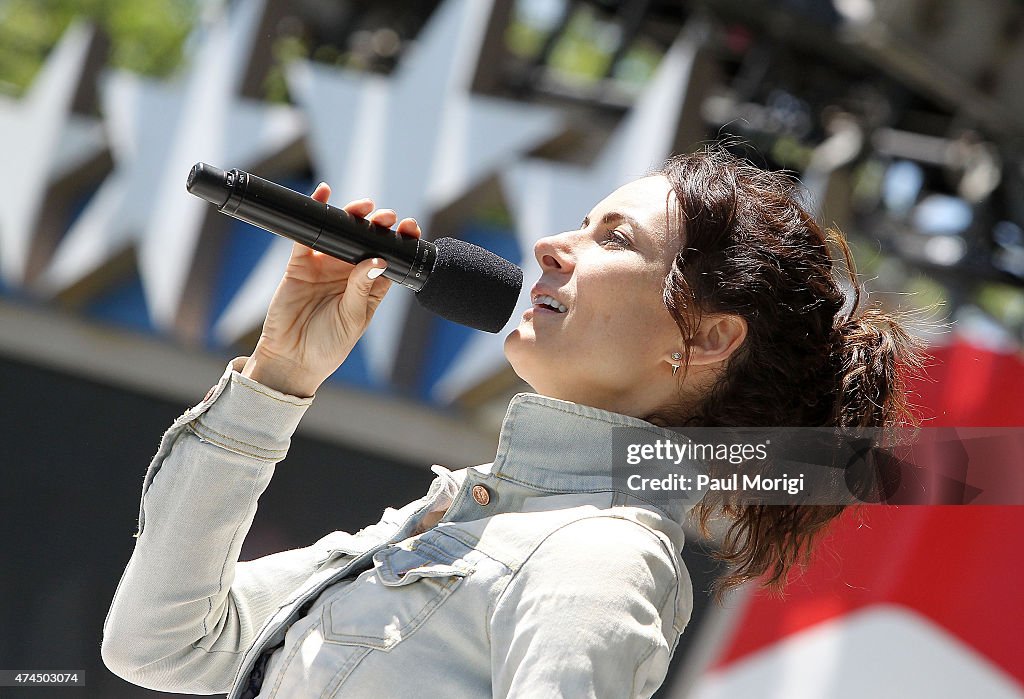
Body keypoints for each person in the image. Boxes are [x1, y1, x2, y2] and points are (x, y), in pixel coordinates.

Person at [101, 146, 922, 698]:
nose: (550, 246)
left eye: (614, 237)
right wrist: (280, 374)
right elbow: (163, 642)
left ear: (707, 337)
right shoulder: (462, 517)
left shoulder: (599, 557)